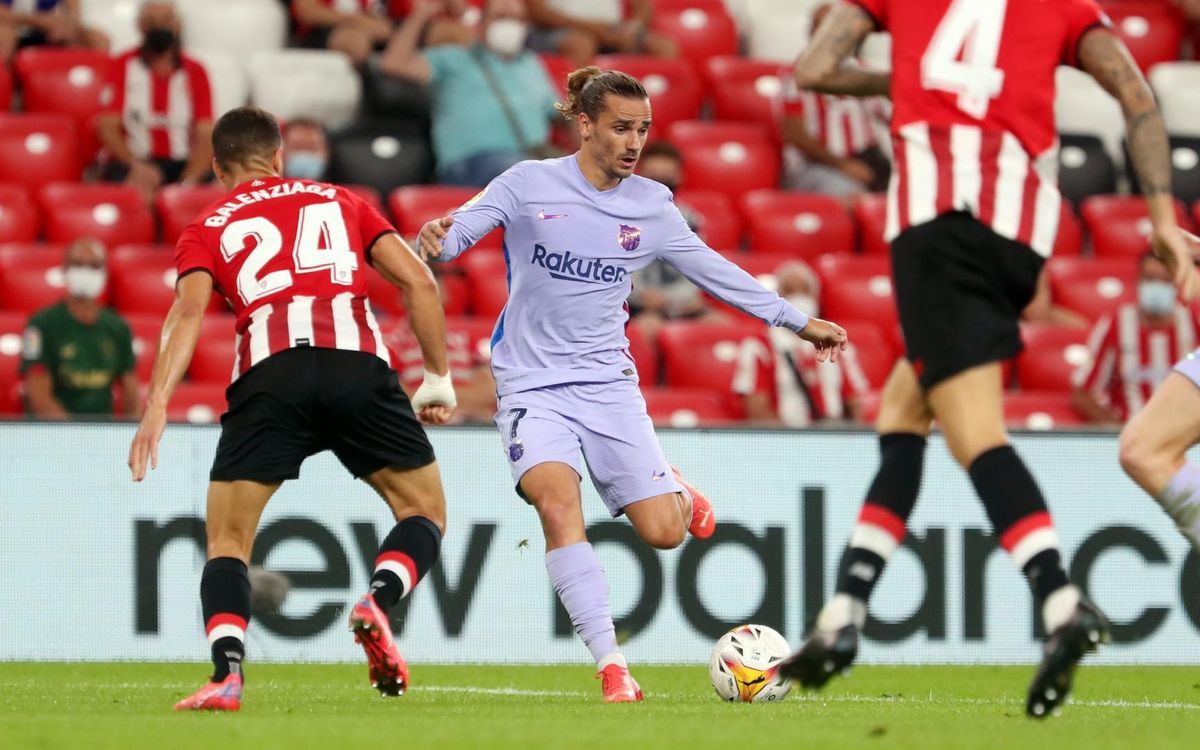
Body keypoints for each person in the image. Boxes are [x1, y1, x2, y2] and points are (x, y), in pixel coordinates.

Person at [779, 0, 1200, 719]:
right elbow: (1136, 94)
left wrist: (899, 86)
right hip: (1021, 228)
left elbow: (814, 68)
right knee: (904, 409)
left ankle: (1061, 602)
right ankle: (843, 611)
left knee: (974, 433)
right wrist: (1162, 218)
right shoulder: (1066, 6)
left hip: (936, 218)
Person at [417, 67, 847, 701]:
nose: (634, 142)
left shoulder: (652, 204)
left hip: (607, 387)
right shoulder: (529, 183)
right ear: (584, 125)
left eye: (642, 129)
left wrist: (798, 321)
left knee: (665, 534)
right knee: (556, 504)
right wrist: (439, 232)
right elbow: (460, 232)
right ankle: (611, 665)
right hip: (532, 384)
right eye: (621, 128)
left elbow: (715, 272)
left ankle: (672, 487)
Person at [127, 106, 458, 712]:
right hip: (356, 364)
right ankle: (377, 603)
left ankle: (227, 675)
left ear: (221, 169)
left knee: (228, 541)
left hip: (270, 372)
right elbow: (419, 284)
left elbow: (189, 312)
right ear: (278, 157)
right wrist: (437, 377)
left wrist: (156, 406)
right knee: (425, 512)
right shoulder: (342, 200)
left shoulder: (207, 224)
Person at [380, 0, 561, 187]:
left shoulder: (532, 64)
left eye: (517, 19)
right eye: (501, 17)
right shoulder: (453, 58)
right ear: (481, 23)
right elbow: (394, 64)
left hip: (531, 159)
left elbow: (560, 113)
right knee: (528, 176)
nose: (510, 25)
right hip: (473, 163)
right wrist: (420, 16)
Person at [96, 0, 214, 202]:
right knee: (139, 191)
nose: (158, 26)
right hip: (135, 160)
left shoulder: (195, 71)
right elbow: (107, 127)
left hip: (181, 161)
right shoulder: (122, 65)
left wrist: (190, 178)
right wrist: (135, 164)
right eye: (151, 21)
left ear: (177, 26)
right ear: (140, 26)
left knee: (219, 190)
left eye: (165, 20)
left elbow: (206, 133)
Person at [20, 238, 139, 420]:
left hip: (103, 434)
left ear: (105, 273)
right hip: (53, 434)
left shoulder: (118, 328)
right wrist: (74, 437)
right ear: (65, 269)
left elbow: (131, 390)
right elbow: (38, 395)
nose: (85, 272)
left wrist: (129, 433)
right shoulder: (39, 326)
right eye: (78, 264)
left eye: (94, 266)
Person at [779, 4, 890, 198]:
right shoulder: (796, 76)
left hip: (869, 160)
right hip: (819, 165)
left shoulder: (865, 72)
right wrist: (843, 165)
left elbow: (888, 117)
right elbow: (795, 133)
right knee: (855, 198)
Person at [1072, 252, 1197, 424]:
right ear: (1138, 281)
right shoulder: (1115, 325)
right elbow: (1083, 394)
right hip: (1131, 433)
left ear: (1176, 284)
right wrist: (1117, 433)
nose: (1158, 287)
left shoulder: (1194, 324)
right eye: (1150, 280)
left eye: (1165, 281)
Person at [628, 141, 715, 339]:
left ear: (679, 177)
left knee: (721, 327)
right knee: (647, 330)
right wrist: (643, 297)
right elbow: (620, 274)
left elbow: (695, 276)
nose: (661, 186)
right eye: (654, 179)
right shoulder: (623, 218)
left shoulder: (689, 219)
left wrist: (668, 300)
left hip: (678, 306)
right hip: (635, 308)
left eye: (667, 179)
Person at [526, 0, 676, 67]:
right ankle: (578, 110)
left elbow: (642, 6)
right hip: (557, 29)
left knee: (664, 47)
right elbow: (537, 13)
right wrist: (593, 29)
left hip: (609, 29)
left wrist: (632, 28)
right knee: (581, 44)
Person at [0, 0, 108, 61]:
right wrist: (36, 20)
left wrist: (66, 26)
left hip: (47, 31)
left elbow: (74, 9)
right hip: (12, 27)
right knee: (4, 37)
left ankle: (87, 93)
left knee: (98, 40)